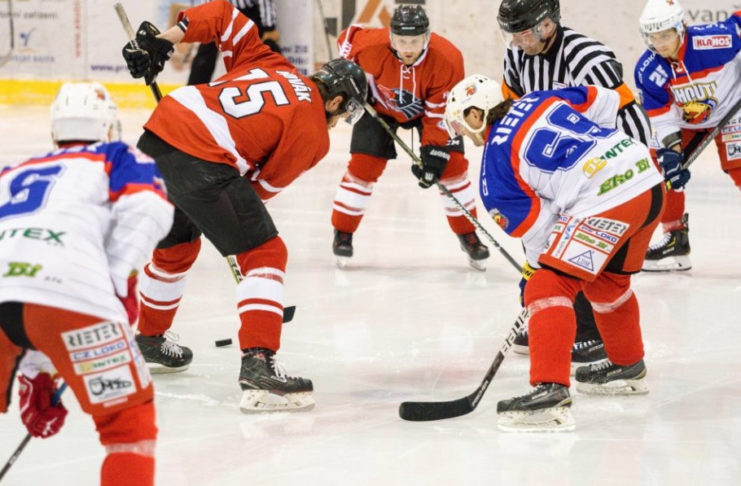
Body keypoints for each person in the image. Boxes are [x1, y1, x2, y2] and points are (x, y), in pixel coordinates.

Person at [121, 0, 368, 411]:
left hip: (159, 136)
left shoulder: (272, 62)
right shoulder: (314, 131)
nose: (338, 122)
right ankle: (258, 364)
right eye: (344, 115)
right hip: (203, 157)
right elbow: (259, 189)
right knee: (266, 253)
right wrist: (226, 223)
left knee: (177, 247)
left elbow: (222, 14)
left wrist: (165, 40)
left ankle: (148, 339)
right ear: (336, 101)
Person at [444, 75, 665, 431]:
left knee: (547, 286)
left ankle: (550, 393)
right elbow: (608, 100)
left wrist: (534, 280)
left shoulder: (493, 167)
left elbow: (542, 233)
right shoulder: (540, 98)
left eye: (460, 124)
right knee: (608, 283)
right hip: (647, 178)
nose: (464, 135)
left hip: (607, 201)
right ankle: (627, 365)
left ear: (475, 114)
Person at [0, 82, 174, 484]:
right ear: (109, 127)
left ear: (54, 131)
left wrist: (35, 374)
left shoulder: (11, 172)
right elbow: (149, 206)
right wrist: (112, 281)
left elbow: (18, 290)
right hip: (72, 295)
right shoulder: (116, 155)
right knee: (128, 428)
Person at [496, 0, 654, 366]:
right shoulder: (516, 56)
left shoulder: (587, 57)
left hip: (604, 167)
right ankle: (551, 317)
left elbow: (625, 112)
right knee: (542, 240)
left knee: (584, 249)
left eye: (523, 32)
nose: (517, 41)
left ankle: (590, 330)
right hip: (556, 167)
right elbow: (513, 112)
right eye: (511, 33)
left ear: (548, 24)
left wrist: (639, 164)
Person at [330, 3, 490, 270]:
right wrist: (348, 77)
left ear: (426, 37)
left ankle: (468, 234)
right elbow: (345, 39)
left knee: (452, 168)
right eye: (401, 41)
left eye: (414, 41)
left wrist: (434, 154)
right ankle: (343, 231)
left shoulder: (447, 58)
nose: (407, 48)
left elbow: (439, 112)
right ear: (391, 37)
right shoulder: (371, 45)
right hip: (379, 107)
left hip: (429, 112)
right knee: (363, 167)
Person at [635, 0, 741, 271]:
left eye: (665, 35)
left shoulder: (713, 41)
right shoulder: (648, 70)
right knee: (661, 169)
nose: (659, 44)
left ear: (681, 27)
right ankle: (676, 241)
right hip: (688, 121)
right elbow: (662, 116)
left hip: (732, 107)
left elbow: (738, 20)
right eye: (653, 37)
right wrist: (671, 153)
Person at [187, 0, 281, 85]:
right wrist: (208, 23)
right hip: (219, 13)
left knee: (267, 48)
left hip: (248, 12)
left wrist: (269, 27)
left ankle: (280, 84)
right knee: (206, 53)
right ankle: (193, 92)